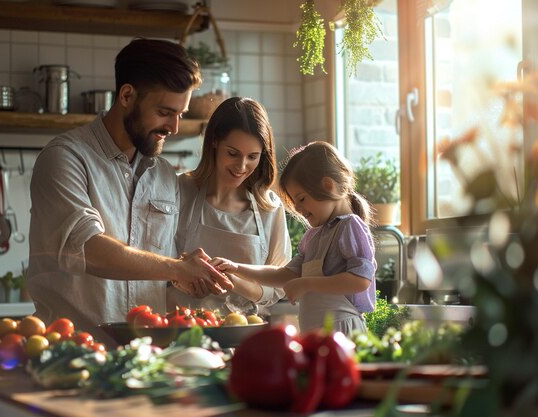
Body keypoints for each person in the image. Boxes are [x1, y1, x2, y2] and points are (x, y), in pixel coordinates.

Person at [27, 38, 233, 345]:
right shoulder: (65, 158)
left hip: (147, 356)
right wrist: (176, 268)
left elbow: (152, 265)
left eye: (181, 113)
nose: (174, 127)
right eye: (165, 112)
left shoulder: (163, 174)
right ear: (126, 95)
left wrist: (183, 276)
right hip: (74, 353)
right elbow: (89, 251)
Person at [211, 141, 377, 335]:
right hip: (317, 333)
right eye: (294, 201)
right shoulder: (314, 237)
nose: (297, 208)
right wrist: (236, 267)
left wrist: (307, 283)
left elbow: (360, 280)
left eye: (301, 199)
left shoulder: (350, 226)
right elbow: (284, 274)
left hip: (343, 332)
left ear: (328, 186)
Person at [168, 97, 291, 316]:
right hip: (181, 332)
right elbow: (154, 261)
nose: (242, 166)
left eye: (252, 156)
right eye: (233, 153)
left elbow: (277, 286)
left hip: (244, 335)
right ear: (214, 141)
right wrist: (180, 276)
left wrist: (230, 279)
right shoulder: (178, 191)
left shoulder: (269, 207)